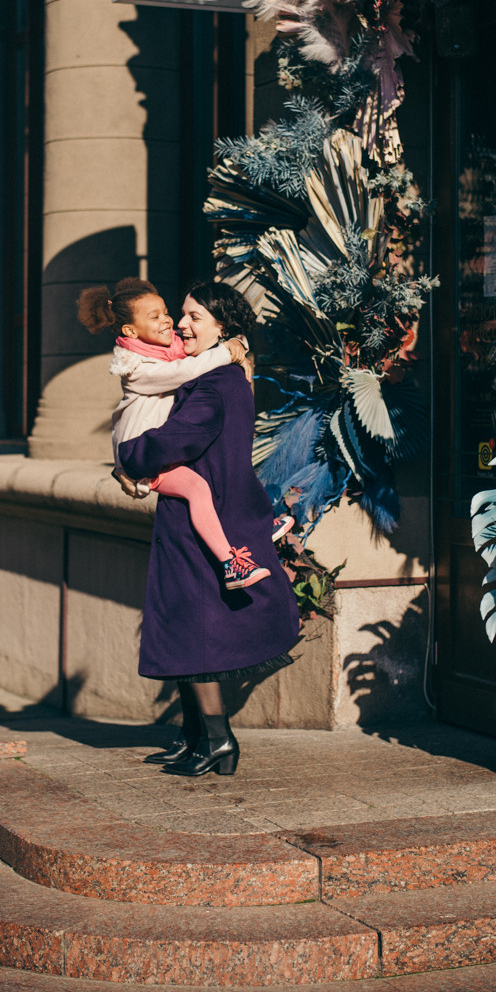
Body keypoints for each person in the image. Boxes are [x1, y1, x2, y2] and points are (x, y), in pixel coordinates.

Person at [118, 280, 301, 778]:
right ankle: (195, 734)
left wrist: (127, 458)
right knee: (183, 628)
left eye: (194, 316)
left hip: (203, 526)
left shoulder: (214, 385)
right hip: (201, 519)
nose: (181, 324)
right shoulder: (216, 378)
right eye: (182, 314)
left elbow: (167, 443)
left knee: (195, 633)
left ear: (224, 326)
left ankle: (217, 741)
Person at [79, 277, 288, 589]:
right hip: (140, 453)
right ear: (130, 332)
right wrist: (232, 349)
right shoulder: (138, 368)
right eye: (157, 317)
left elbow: (220, 333)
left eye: (167, 312)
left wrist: (238, 344)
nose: (171, 322)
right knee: (198, 489)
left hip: (151, 454)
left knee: (224, 473)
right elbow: (184, 372)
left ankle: (255, 526)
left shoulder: (169, 349)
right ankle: (231, 561)